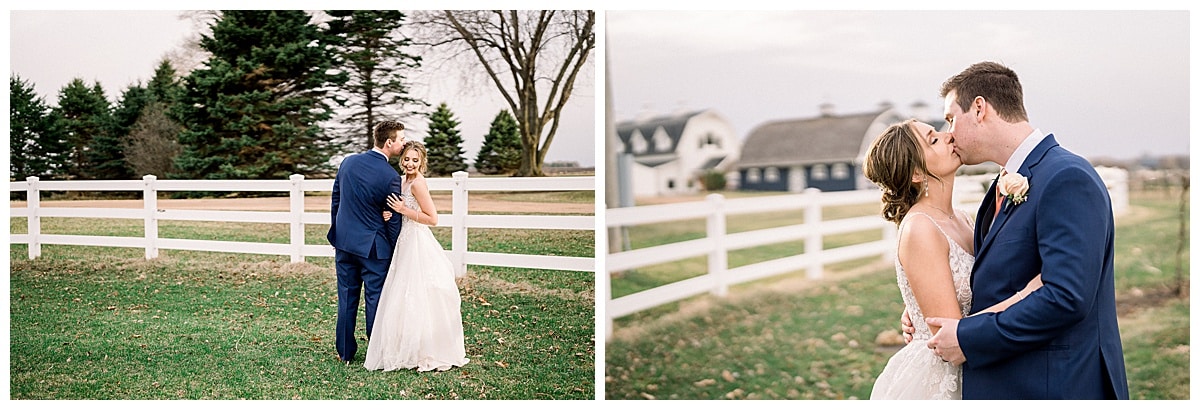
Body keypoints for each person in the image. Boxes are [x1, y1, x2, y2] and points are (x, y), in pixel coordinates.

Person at [921, 61, 1129, 399]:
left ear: (979, 109)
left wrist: (969, 337)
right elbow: (999, 277)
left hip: (1056, 386)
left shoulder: (1065, 177)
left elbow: (1066, 297)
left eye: (950, 119)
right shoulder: (1003, 183)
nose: (949, 134)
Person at [863, 119, 1042, 399]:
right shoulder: (920, 228)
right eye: (933, 140)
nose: (948, 137)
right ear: (917, 174)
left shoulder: (963, 218)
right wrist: (1028, 294)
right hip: (942, 378)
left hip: (981, 367)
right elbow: (950, 335)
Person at [364, 140, 470, 372]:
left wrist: (404, 211)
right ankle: (404, 346)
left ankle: (425, 348)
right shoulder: (401, 181)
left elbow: (432, 218)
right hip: (403, 241)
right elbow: (397, 208)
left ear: (422, 162)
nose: (410, 163)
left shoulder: (419, 184)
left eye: (415, 160)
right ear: (401, 160)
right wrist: (390, 213)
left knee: (419, 293)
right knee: (401, 294)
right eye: (406, 159)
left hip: (417, 241)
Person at [327, 120, 406, 364]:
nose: (403, 144)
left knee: (347, 297)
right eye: (401, 140)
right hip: (374, 248)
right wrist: (395, 248)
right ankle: (375, 353)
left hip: (344, 242)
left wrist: (338, 231)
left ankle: (345, 353)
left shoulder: (348, 162)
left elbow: (336, 199)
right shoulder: (390, 177)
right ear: (389, 142)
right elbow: (392, 220)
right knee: (375, 300)